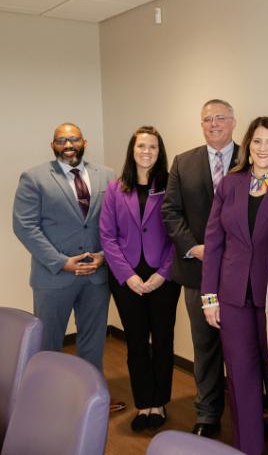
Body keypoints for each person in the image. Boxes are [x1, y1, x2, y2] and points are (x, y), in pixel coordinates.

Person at [200, 116, 268, 455]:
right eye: (257, 142)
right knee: (241, 374)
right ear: (247, 145)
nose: (263, 149)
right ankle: (246, 445)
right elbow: (213, 242)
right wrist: (209, 297)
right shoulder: (230, 185)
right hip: (232, 296)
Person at [13, 123, 125, 412]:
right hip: (53, 277)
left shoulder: (107, 175)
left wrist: (102, 256)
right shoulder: (34, 178)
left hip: (96, 276)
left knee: (93, 341)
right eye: (61, 140)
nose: (68, 144)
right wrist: (61, 262)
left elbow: (115, 223)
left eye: (73, 138)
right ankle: (49, 402)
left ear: (84, 141)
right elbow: (25, 226)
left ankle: (91, 401)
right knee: (49, 341)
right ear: (53, 145)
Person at [162, 99, 238, 437]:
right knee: (204, 347)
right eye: (207, 119)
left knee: (242, 349)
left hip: (241, 275)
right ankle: (207, 414)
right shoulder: (184, 162)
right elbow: (170, 211)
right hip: (197, 274)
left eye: (220, 117)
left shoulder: (251, 157)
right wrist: (193, 247)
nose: (213, 124)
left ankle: (245, 412)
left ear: (233, 122)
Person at [99, 126, 179, 431]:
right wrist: (127, 275)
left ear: (160, 153)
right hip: (126, 278)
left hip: (163, 277)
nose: (146, 152)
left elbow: (177, 235)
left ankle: (160, 402)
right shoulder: (115, 189)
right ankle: (144, 403)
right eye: (141, 146)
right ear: (132, 151)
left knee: (162, 341)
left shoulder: (171, 187)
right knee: (135, 342)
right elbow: (107, 236)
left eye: (153, 147)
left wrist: (163, 274)